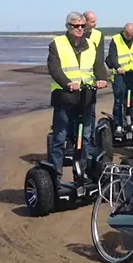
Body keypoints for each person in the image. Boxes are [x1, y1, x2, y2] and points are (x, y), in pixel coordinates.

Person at [46, 11, 109, 177]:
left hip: (86, 98)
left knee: (85, 137)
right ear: (68, 26)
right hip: (65, 97)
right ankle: (56, 175)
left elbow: (98, 65)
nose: (80, 28)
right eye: (76, 26)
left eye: (82, 25)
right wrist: (67, 83)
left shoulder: (90, 45)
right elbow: (54, 68)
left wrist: (102, 78)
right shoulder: (57, 44)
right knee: (60, 138)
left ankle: (81, 173)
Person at [106, 22, 133, 135]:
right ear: (124, 31)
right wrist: (118, 67)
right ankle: (119, 124)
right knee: (119, 101)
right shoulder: (116, 39)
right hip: (120, 75)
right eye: (127, 34)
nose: (129, 37)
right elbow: (112, 56)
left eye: (131, 34)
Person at [81, 9, 105, 145]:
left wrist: (100, 77)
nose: (95, 24)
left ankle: (89, 139)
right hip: (76, 80)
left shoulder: (98, 35)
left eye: (96, 21)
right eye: (92, 21)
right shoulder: (77, 33)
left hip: (91, 79)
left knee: (91, 110)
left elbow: (99, 58)